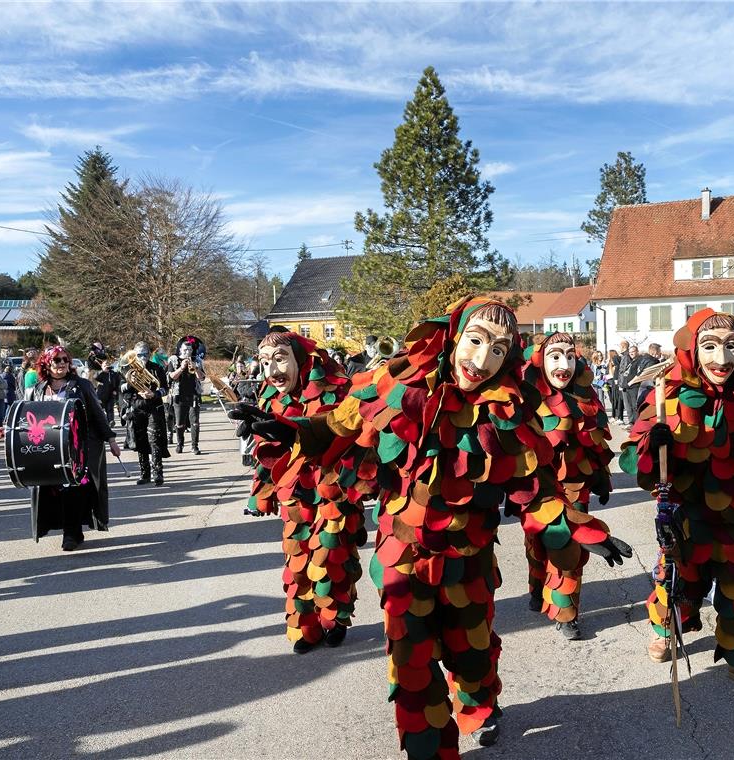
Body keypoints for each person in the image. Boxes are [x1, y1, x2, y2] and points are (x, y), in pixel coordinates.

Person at [231, 296, 631, 758]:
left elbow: (536, 493)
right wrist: (292, 431)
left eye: (498, 349)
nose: (482, 361)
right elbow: (338, 426)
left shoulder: (508, 412)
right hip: (402, 554)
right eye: (476, 341)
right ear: (454, 337)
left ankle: (478, 705)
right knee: (412, 664)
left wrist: (584, 530)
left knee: (472, 650)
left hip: (469, 555)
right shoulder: (396, 386)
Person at [620, 307, 734, 697]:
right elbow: (632, 458)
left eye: (731, 346)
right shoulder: (669, 394)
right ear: (693, 350)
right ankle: (664, 631)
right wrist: (653, 444)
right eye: (710, 346)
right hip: (687, 510)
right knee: (678, 580)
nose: (722, 358)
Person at [241, 331, 363, 652]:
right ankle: (306, 627)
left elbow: (347, 436)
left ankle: (334, 619)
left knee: (332, 555)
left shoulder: (336, 389)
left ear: (300, 358)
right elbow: (265, 452)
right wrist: (260, 491)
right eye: (265, 363)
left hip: (332, 486)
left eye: (280, 360)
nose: (272, 372)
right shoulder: (268, 396)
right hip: (294, 493)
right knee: (298, 558)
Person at [520, 332, 614, 640]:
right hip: (536, 486)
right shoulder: (526, 397)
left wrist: (602, 477)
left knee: (568, 547)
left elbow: (596, 443)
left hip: (575, 484)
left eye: (570, 356)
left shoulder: (586, 398)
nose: (564, 364)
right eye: (556, 356)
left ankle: (567, 612)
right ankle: (537, 585)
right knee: (537, 545)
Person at [30, 345, 122, 551]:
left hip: (78, 448)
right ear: (46, 363)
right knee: (54, 491)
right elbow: (30, 416)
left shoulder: (81, 385)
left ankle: (71, 534)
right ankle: (67, 530)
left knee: (75, 488)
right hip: (50, 448)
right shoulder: (38, 388)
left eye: (65, 359)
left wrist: (112, 440)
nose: (62, 363)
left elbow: (98, 413)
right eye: (57, 360)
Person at [119, 342, 171, 486]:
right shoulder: (127, 369)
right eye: (139, 355)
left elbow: (165, 389)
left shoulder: (157, 368)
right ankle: (145, 474)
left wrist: (153, 394)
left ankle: (158, 474)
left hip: (154, 407)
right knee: (140, 441)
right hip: (137, 408)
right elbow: (122, 389)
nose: (142, 357)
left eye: (145, 354)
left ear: (149, 355)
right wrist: (131, 383)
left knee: (155, 440)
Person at [167, 336, 206, 454]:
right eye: (184, 350)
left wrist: (196, 368)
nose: (187, 353)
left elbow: (202, 377)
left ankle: (195, 446)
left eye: (189, 350)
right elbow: (171, 376)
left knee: (195, 422)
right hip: (179, 395)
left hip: (193, 394)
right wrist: (181, 368)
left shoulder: (197, 360)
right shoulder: (173, 359)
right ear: (180, 350)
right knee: (179, 423)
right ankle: (180, 444)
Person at [94, 359, 121, 425]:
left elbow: (118, 382)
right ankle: (102, 422)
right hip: (101, 395)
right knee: (100, 409)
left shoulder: (113, 373)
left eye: (108, 365)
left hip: (111, 394)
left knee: (110, 408)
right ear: (102, 366)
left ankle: (111, 421)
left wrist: (115, 390)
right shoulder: (99, 373)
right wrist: (103, 371)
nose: (107, 366)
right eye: (105, 365)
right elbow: (95, 378)